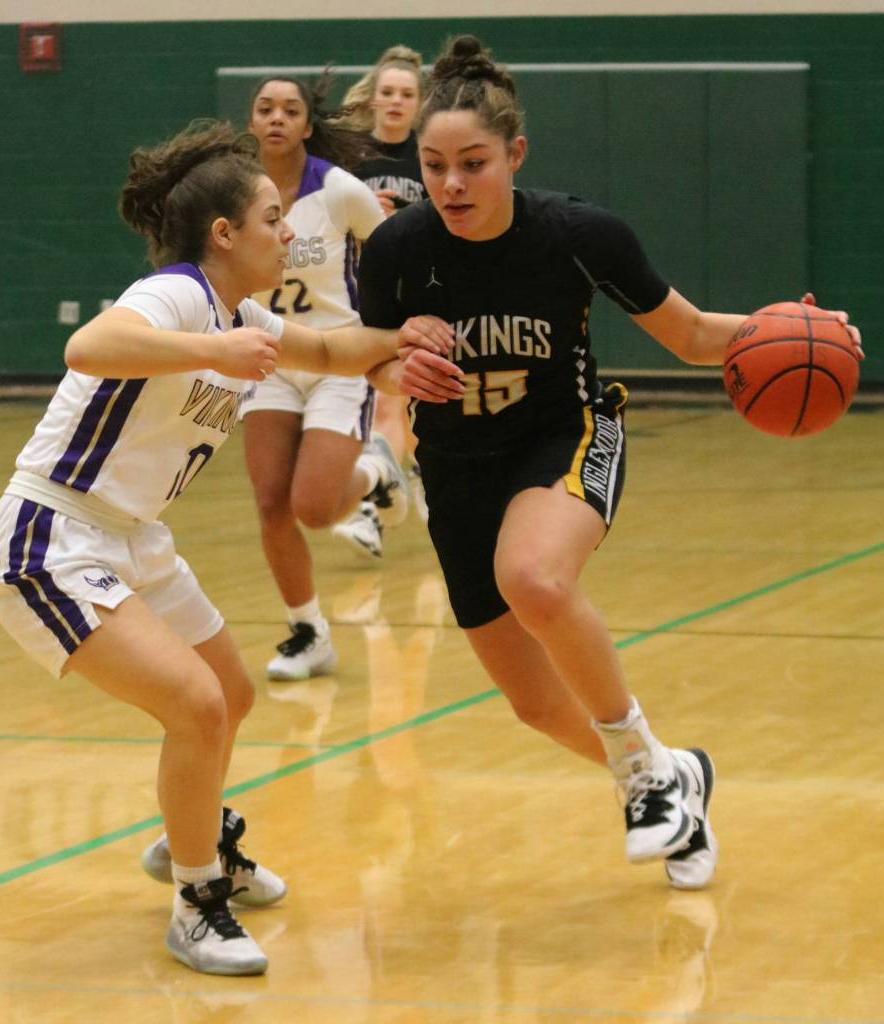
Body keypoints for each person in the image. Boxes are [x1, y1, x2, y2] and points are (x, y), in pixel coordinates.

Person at [358, 36, 864, 888]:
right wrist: (391, 364)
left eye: (473, 164)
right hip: (457, 470)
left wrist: (805, 331)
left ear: (515, 155)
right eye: (434, 164)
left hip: (567, 433)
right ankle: (671, 775)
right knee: (534, 705)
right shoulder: (398, 249)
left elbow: (695, 334)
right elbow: (366, 354)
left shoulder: (578, 234)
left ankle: (645, 778)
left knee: (536, 578)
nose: (451, 184)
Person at [0, 120, 453, 976]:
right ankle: (197, 901)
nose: (289, 232)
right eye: (273, 218)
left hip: (135, 538)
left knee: (229, 696)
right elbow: (85, 347)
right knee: (196, 705)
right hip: (53, 536)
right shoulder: (178, 297)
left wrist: (401, 344)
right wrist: (213, 348)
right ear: (224, 233)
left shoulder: (245, 313)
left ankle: (189, 837)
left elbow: (331, 347)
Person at [241, 72, 408, 681]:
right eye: (266, 109)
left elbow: (397, 254)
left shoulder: (339, 190)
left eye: (290, 109)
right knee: (269, 501)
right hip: (271, 358)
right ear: (253, 122)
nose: (277, 118)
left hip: (339, 359)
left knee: (313, 508)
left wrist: (389, 338)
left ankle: (374, 471)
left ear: (308, 125)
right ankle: (309, 632)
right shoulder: (237, 194)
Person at [333, 45, 429, 548]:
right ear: (373, 98)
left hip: (417, 293)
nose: (395, 102)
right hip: (356, 293)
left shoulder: (430, 153)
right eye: (388, 92)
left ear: (419, 102)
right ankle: (403, 470)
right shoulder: (350, 156)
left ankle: (371, 506)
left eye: (406, 94)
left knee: (395, 401)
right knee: (378, 406)